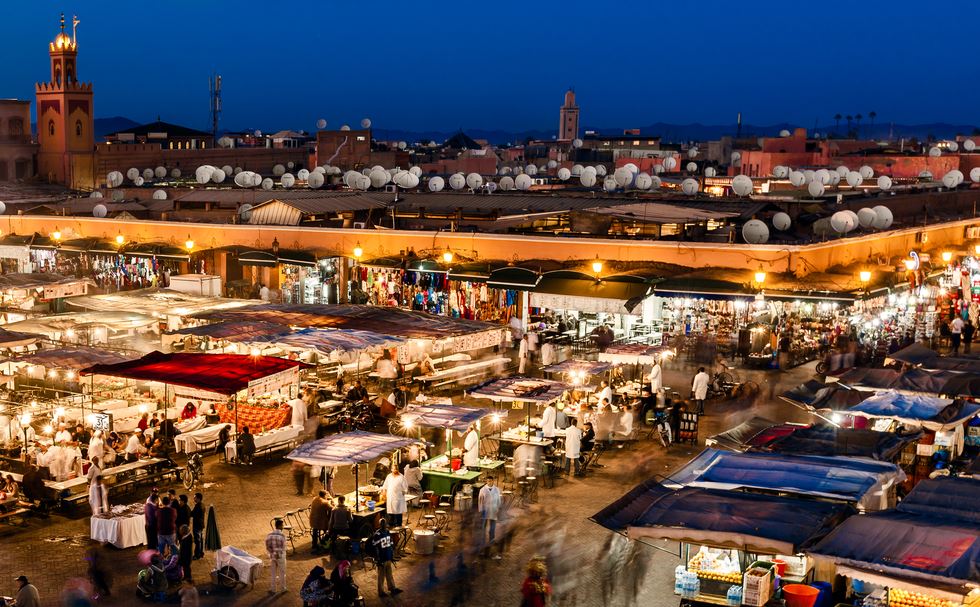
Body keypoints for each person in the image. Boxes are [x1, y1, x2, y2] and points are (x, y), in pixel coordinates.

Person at [370, 519, 402, 597]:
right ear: (380, 525)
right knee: (381, 576)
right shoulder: (377, 535)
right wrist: (377, 559)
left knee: (389, 574)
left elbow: (390, 545)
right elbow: (374, 548)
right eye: (382, 524)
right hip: (381, 559)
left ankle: (392, 588)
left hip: (388, 557)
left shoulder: (387, 532)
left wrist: (392, 555)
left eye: (385, 523)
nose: (384, 525)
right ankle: (381, 592)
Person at [478, 475, 502, 552]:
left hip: (494, 510)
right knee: (483, 527)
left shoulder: (497, 490)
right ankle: (483, 541)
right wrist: (480, 510)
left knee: (492, 527)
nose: (489, 482)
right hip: (485, 510)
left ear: (493, 481)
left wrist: (498, 508)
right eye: (488, 481)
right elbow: (480, 501)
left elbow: (499, 500)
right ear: (486, 481)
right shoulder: (482, 490)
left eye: (490, 481)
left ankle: (491, 540)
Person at [266, 518, 288, 594]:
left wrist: (272, 553)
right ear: (280, 525)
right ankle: (283, 589)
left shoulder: (269, 535)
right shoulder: (282, 535)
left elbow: (268, 547)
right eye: (282, 525)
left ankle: (273, 589)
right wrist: (279, 554)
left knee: (273, 574)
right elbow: (284, 547)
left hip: (272, 556)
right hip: (280, 556)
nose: (283, 526)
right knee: (282, 573)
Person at [191, 492, 205, 560]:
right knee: (201, 540)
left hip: (197, 525)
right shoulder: (203, 505)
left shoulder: (197, 506)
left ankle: (197, 555)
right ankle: (201, 553)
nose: (194, 499)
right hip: (201, 525)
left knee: (197, 541)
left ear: (199, 499)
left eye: (195, 497)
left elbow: (192, 514)